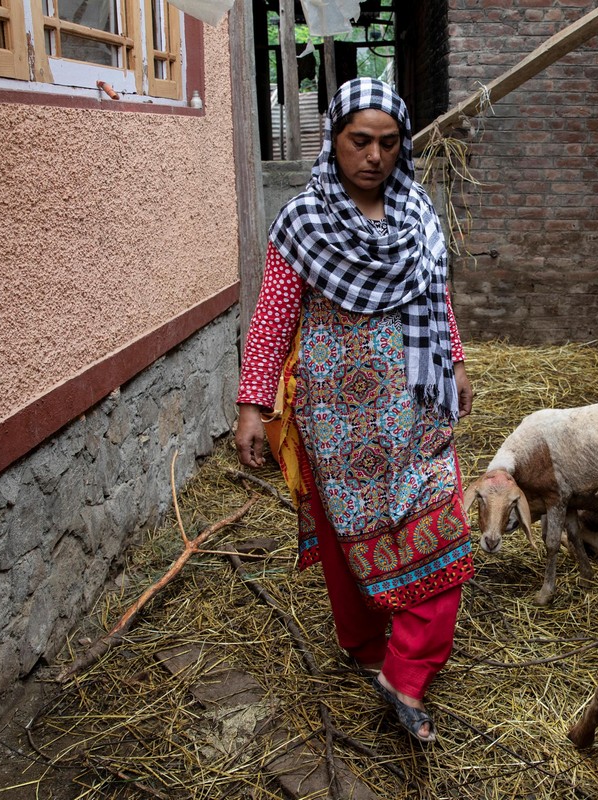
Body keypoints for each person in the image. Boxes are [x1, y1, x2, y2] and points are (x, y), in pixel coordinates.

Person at [235, 78, 475, 745]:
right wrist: (254, 404)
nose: (374, 156)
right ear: (333, 141)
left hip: (418, 407)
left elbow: (438, 297)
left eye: (389, 143)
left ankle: (407, 671)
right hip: (336, 419)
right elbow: (272, 318)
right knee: (352, 540)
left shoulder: (418, 214)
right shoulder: (304, 224)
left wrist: (455, 361)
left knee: (440, 527)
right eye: (359, 141)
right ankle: (369, 647)